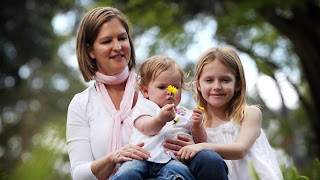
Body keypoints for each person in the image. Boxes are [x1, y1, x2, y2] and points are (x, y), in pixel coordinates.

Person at [66, 6, 227, 180]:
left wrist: (194, 145)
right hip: (128, 174)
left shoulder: (158, 85)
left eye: (122, 38)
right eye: (106, 41)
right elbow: (79, 174)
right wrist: (112, 158)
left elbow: (185, 124)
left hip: (173, 169)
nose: (118, 46)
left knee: (208, 159)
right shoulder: (82, 103)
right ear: (90, 51)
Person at [177, 46, 283, 180]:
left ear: (237, 84)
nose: (217, 86)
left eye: (225, 80)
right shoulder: (195, 124)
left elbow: (240, 149)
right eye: (209, 80)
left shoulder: (249, 114)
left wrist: (201, 146)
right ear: (198, 85)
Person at [112, 55, 199, 180]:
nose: (170, 92)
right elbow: (147, 127)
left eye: (175, 87)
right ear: (145, 91)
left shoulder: (185, 113)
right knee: (127, 173)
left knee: (182, 172)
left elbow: (200, 142)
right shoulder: (144, 107)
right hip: (141, 157)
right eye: (162, 87)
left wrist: (197, 126)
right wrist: (160, 119)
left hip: (171, 160)